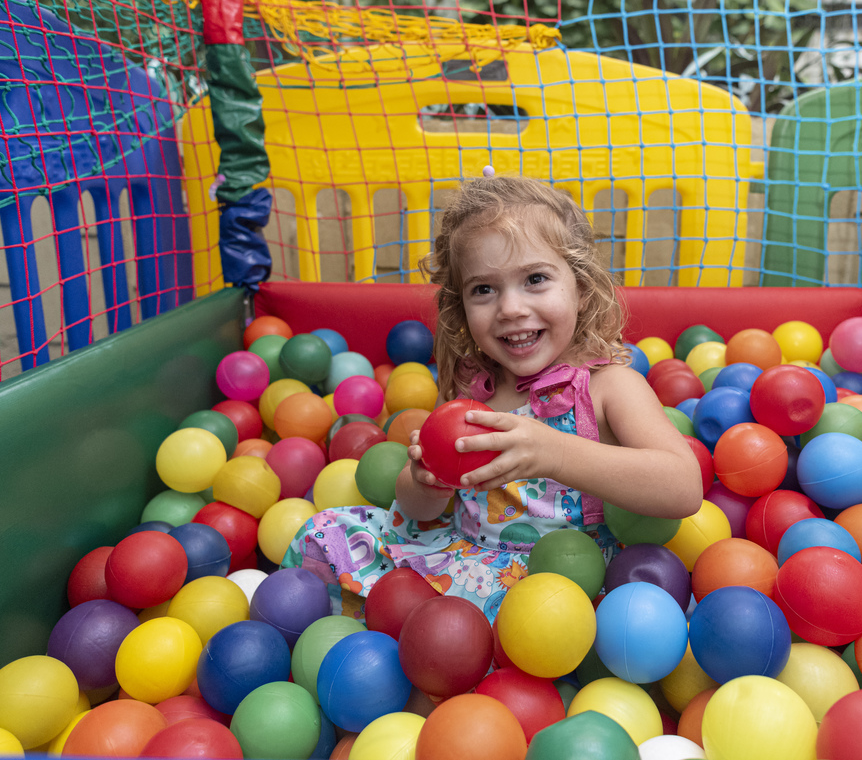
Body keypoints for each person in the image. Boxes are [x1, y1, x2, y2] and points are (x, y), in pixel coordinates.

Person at [281, 173, 702, 621]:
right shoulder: (474, 386)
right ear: (460, 307)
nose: (511, 308)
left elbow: (683, 487)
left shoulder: (607, 387)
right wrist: (427, 479)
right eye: (484, 289)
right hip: (465, 560)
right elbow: (419, 507)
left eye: (535, 278)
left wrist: (553, 452)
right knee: (324, 533)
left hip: (564, 586)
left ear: (580, 288)